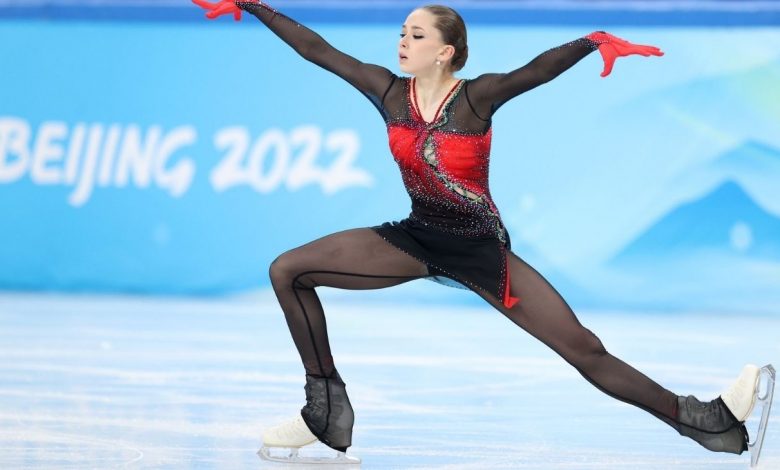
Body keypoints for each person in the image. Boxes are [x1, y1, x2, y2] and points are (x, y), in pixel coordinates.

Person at [192, 0, 775, 465]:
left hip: (480, 252)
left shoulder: (476, 98)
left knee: (585, 350)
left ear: (445, 51)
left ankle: (708, 421)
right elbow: (318, 50)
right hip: (415, 239)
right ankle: (324, 411)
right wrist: (254, 5)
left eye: (416, 34)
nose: (402, 41)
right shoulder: (387, 91)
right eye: (402, 32)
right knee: (288, 270)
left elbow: (534, 72)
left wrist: (591, 41)